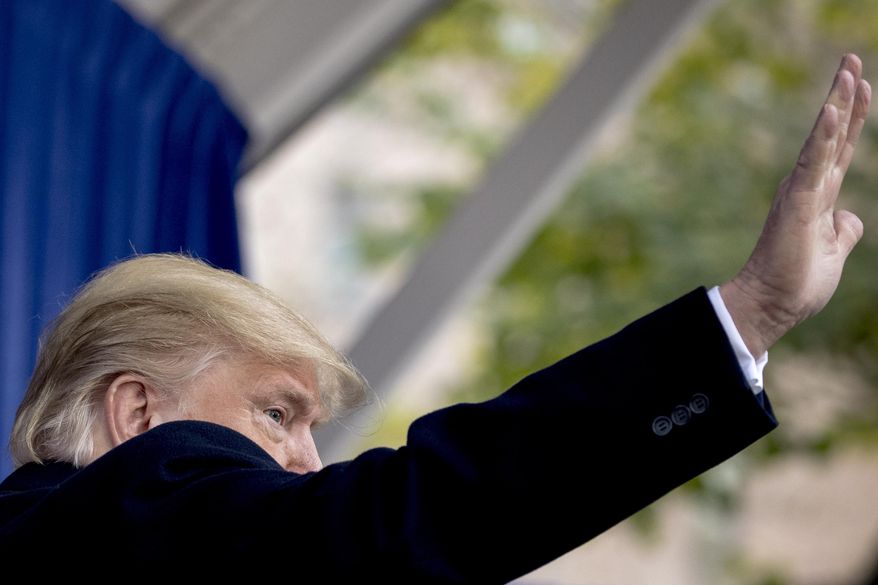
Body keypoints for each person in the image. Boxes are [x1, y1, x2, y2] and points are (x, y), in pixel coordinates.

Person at [0, 54, 871, 579]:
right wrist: (749, 313)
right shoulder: (105, 521)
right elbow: (408, 515)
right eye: (274, 413)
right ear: (138, 411)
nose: (308, 461)